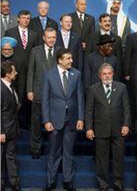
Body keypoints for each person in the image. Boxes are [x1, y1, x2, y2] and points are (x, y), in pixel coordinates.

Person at [42, 49, 84, 191]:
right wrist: (46, 120)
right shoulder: (49, 75)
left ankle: (67, 181)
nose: (71, 61)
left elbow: (80, 98)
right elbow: (45, 100)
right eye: (68, 58)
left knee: (68, 152)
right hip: (54, 120)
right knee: (54, 152)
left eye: (71, 58)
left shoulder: (76, 74)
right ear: (60, 60)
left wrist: (81, 118)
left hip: (71, 119)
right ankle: (51, 181)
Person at [85, 63, 130, 191]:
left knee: (119, 159)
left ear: (113, 74)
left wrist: (126, 125)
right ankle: (103, 185)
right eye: (104, 74)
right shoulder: (93, 89)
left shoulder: (121, 87)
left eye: (109, 73)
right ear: (99, 75)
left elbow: (127, 108)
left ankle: (118, 184)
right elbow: (89, 110)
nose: (107, 76)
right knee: (101, 160)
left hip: (119, 129)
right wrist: (89, 128)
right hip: (100, 129)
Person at [26, 27, 60, 159]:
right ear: (44, 38)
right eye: (49, 37)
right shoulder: (35, 51)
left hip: (55, 94)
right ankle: (35, 149)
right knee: (36, 123)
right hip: (38, 92)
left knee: (55, 124)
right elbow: (31, 72)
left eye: (53, 37)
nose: (51, 40)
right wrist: (29, 90)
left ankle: (54, 150)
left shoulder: (59, 51)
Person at [1, 61, 20, 191]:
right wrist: (1, 131)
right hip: (3, 131)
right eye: (14, 71)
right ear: (7, 74)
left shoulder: (10, 86)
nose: (16, 73)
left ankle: (14, 184)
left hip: (12, 129)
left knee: (10, 157)